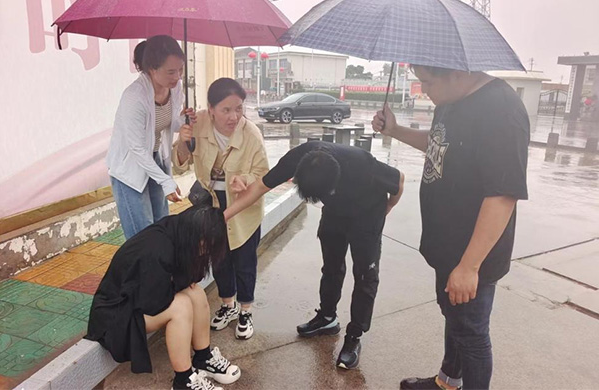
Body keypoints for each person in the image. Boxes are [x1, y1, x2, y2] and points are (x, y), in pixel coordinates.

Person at [372, 65, 529, 390]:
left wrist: (469, 267)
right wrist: (395, 130)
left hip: (471, 253)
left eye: (428, 82)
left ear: (456, 72)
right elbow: (438, 143)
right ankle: (447, 381)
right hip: (447, 246)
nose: (424, 90)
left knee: (471, 334)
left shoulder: (500, 109)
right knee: (456, 318)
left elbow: (503, 195)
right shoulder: (450, 101)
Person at [223, 141, 404, 369]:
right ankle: (327, 318)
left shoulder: (359, 162)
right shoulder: (298, 157)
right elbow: (260, 186)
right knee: (331, 266)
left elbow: (399, 181)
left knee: (365, 275)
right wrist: (223, 217)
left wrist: (387, 208)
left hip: (367, 212)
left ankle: (354, 336)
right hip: (335, 213)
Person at [85, 205, 241, 390]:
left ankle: (203, 358)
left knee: (196, 293)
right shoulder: (157, 248)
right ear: (195, 235)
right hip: (114, 316)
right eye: (205, 245)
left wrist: (181, 280)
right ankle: (183, 381)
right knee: (181, 306)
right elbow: (153, 303)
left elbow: (192, 279)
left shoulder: (180, 230)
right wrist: (181, 282)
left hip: (139, 299)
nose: (205, 251)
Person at [173, 78, 269, 340]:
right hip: (211, 202)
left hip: (242, 205)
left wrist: (245, 179)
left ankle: (246, 310)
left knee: (244, 260)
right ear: (211, 108)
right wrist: (182, 141)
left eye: (238, 108)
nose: (234, 117)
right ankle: (229, 305)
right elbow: (179, 164)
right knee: (219, 258)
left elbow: (263, 175)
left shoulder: (251, 134)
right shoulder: (197, 123)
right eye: (226, 110)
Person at [106, 35, 196, 240]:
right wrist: (166, 181)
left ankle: (160, 262)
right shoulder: (134, 97)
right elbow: (137, 148)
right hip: (130, 168)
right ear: (152, 69)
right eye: (171, 71)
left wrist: (184, 121)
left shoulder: (175, 88)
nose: (177, 77)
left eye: (180, 70)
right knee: (143, 235)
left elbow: (168, 123)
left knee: (161, 226)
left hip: (156, 159)